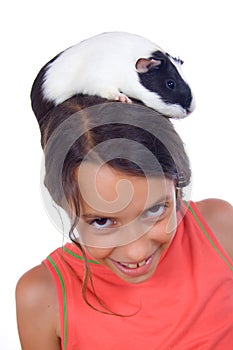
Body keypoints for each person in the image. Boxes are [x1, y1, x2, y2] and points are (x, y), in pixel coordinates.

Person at [15, 75, 233, 349]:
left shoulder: (219, 227)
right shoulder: (42, 296)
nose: (136, 252)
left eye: (156, 209)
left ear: (176, 184)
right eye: (102, 221)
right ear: (63, 202)